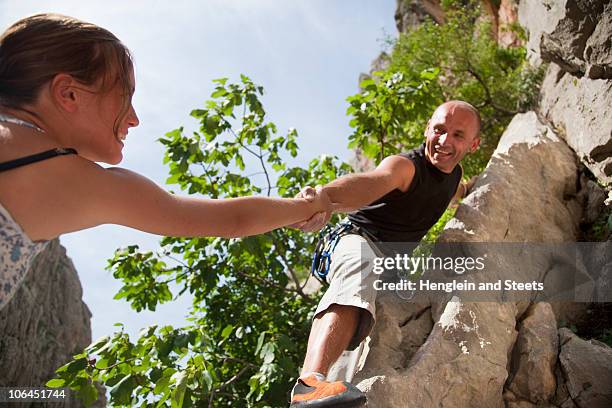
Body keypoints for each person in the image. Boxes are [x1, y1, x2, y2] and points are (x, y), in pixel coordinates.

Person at [0, 13, 331, 312]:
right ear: (68, 94)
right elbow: (234, 219)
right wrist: (304, 208)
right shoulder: (69, 178)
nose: (134, 119)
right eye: (124, 97)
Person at [289, 100, 481, 407]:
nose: (445, 141)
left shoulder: (454, 177)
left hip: (391, 268)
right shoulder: (405, 167)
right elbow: (370, 184)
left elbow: (456, 190)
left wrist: (476, 188)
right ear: (426, 130)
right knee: (360, 270)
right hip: (357, 240)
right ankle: (308, 385)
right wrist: (325, 197)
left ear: (474, 144)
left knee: (366, 340)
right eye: (439, 130)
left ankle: (329, 397)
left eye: (458, 135)